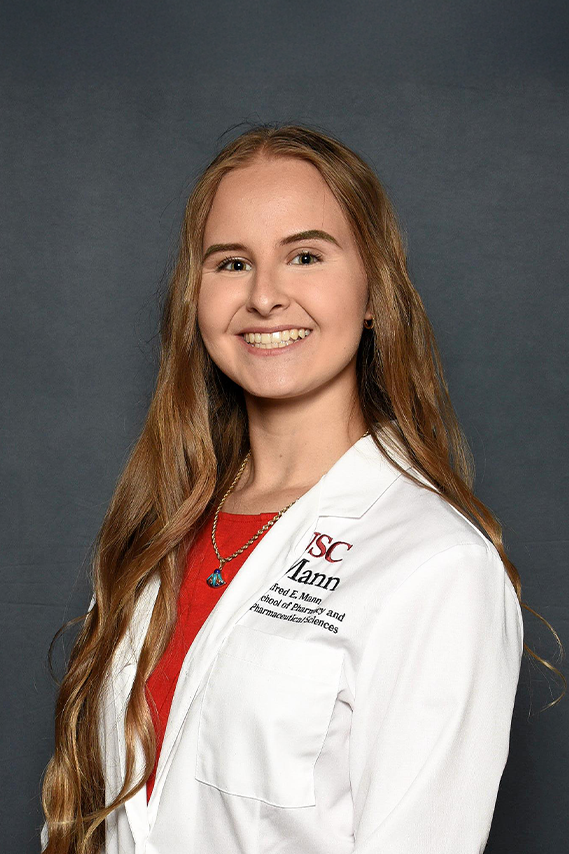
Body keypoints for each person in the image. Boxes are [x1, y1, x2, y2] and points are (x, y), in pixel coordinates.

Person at [40, 123, 563, 854]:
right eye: (231, 263)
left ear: (374, 291)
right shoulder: (153, 533)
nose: (264, 297)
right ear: (196, 296)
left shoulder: (437, 563)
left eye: (305, 256)